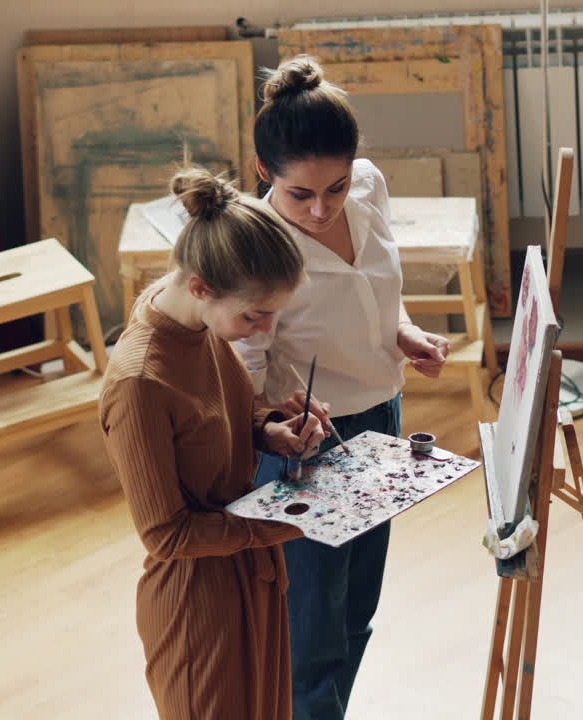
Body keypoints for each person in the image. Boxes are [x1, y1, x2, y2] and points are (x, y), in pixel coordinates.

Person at [235, 55, 451, 719]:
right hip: (309, 443)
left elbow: (378, 290)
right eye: (301, 194)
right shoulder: (255, 247)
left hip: (383, 419)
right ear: (264, 170)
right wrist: (266, 427)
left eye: (337, 185)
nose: (322, 207)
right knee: (311, 634)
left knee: (358, 610)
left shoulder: (370, 187)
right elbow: (242, 369)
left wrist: (402, 331)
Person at [99, 165, 329, 720]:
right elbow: (166, 534)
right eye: (256, 315)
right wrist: (291, 521)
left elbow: (212, 416)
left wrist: (268, 431)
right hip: (197, 604)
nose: (266, 330)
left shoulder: (194, 320)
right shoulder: (139, 382)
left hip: (250, 571)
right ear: (202, 287)